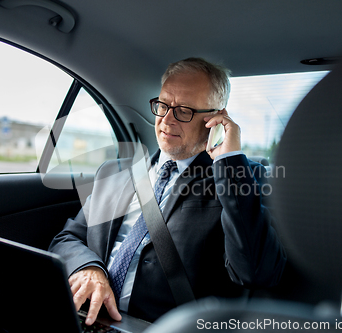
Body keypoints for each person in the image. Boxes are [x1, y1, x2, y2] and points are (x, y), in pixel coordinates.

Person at [49, 57, 286, 325]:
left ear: (216, 117)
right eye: (163, 106)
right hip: (88, 321)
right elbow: (68, 238)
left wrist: (228, 161)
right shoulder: (115, 172)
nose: (167, 120)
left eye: (184, 110)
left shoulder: (242, 178)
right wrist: (87, 268)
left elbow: (256, 272)